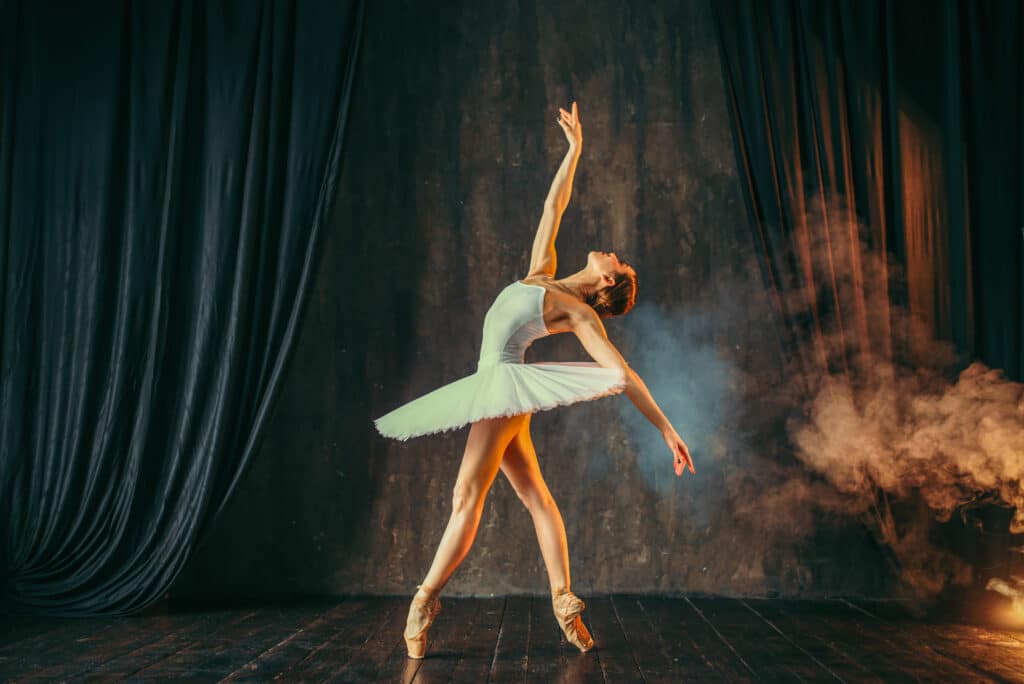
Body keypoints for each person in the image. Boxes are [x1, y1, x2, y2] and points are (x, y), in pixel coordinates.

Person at [373, 101, 695, 659]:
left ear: (605, 283)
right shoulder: (541, 274)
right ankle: (564, 600)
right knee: (536, 499)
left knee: (465, 496)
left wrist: (665, 428)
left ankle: (424, 600)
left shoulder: (579, 313)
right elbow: (554, 204)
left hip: (502, 385)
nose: (612, 252)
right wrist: (574, 151)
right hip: (500, 384)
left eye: (617, 261)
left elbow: (623, 373)